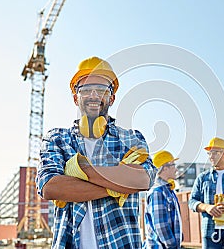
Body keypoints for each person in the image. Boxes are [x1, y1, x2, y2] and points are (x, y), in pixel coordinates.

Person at [36, 56, 157, 249]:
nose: (94, 95)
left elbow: (144, 180)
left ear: (112, 97)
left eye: (101, 90)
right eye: (85, 90)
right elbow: (50, 187)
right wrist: (119, 186)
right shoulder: (56, 139)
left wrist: (79, 169)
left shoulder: (132, 139)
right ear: (76, 97)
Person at [143, 150, 182, 249]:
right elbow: (160, 225)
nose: (176, 169)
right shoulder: (157, 192)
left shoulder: (167, 190)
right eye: (173, 165)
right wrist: (172, 245)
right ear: (165, 168)